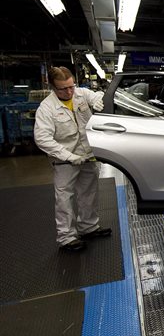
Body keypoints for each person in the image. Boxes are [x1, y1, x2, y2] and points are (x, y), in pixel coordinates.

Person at [34, 66, 112, 252]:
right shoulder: (46, 108)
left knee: (89, 192)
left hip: (88, 154)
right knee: (64, 198)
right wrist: (69, 156)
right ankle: (66, 237)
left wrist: (101, 99)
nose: (69, 91)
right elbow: (42, 138)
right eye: (63, 88)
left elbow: (97, 96)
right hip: (64, 159)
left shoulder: (81, 94)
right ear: (52, 87)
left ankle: (88, 227)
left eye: (71, 86)